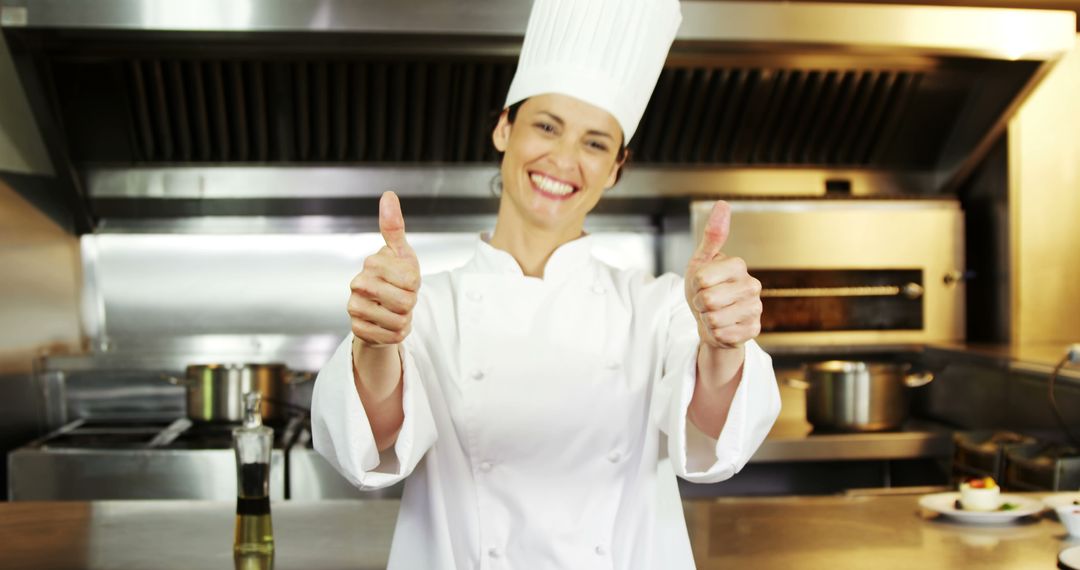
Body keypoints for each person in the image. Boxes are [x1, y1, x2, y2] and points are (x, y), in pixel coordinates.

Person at [311, 0, 781, 568]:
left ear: (614, 168)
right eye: (547, 126)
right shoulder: (427, 307)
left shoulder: (657, 308)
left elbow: (714, 429)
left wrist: (725, 348)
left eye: (594, 142)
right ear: (504, 128)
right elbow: (372, 444)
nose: (563, 159)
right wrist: (377, 342)